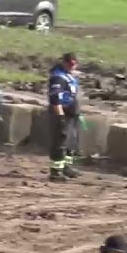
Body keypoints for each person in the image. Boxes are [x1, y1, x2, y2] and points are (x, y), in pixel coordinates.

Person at [44, 53, 81, 182]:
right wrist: (60, 117)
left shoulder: (69, 75)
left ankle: (66, 167)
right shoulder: (58, 78)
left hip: (71, 114)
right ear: (64, 63)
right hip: (61, 113)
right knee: (60, 142)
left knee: (71, 142)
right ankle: (56, 172)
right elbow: (55, 99)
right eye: (70, 64)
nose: (73, 67)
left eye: (75, 64)